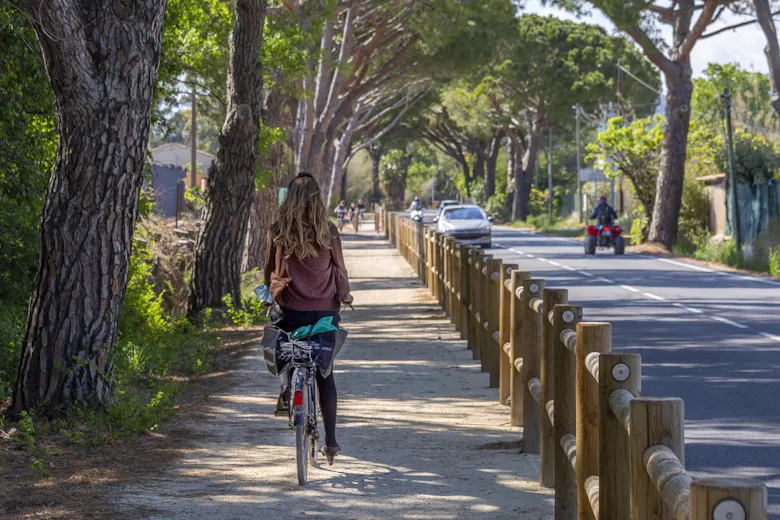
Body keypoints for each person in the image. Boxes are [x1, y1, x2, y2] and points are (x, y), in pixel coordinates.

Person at [264, 173, 352, 463]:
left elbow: (268, 272)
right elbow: (340, 270)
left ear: (289, 199)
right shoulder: (329, 231)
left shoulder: (278, 230)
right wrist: (345, 295)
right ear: (318, 199)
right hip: (325, 313)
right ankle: (332, 442)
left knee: (286, 348)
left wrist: (269, 293)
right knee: (325, 373)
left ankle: (288, 390)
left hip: (289, 312)